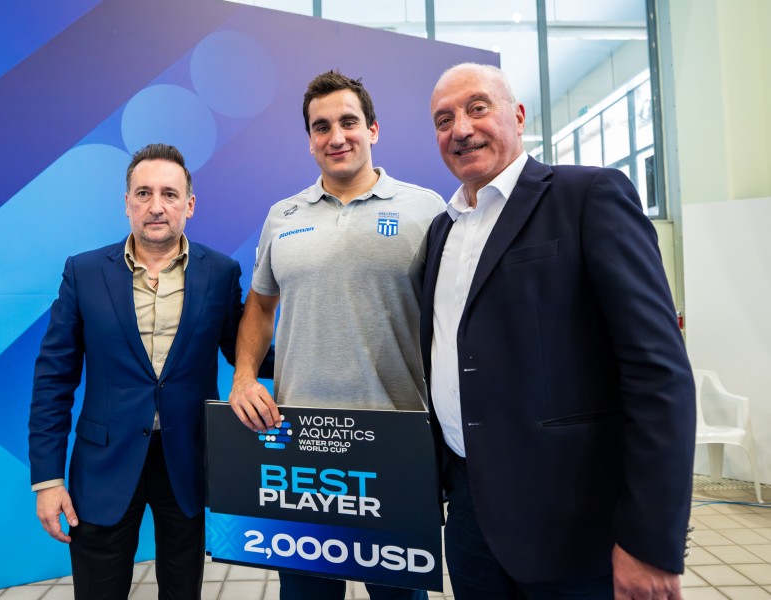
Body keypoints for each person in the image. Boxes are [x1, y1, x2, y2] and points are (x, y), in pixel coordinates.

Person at [420, 62, 696, 599]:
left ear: (518, 116)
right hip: (472, 514)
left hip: (573, 522)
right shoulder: (441, 230)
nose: (461, 129)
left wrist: (649, 541)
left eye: (478, 108)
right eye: (444, 119)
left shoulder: (587, 196)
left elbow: (658, 373)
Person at [228, 71, 444, 600]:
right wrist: (244, 377)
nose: (336, 136)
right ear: (309, 140)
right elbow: (260, 305)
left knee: (398, 596)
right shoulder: (282, 216)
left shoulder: (427, 210)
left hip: (394, 443)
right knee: (306, 594)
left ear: (373, 129)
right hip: (301, 446)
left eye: (349, 122)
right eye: (321, 126)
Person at [29, 143, 265, 600]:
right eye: (144, 193)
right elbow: (53, 379)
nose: (156, 206)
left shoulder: (220, 273)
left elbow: (245, 351)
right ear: (127, 203)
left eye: (169, 194)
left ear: (189, 205)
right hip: (104, 463)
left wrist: (318, 348)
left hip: (186, 459)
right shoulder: (84, 272)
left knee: (182, 590)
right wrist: (48, 480)